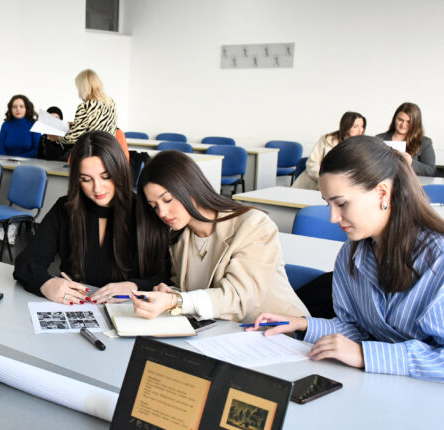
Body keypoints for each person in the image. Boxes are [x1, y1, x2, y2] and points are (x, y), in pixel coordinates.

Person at [250, 136, 444, 382]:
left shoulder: (438, 259)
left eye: (341, 203)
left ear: (382, 193)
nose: (333, 217)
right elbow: (358, 329)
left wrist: (366, 354)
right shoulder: (351, 255)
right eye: (328, 204)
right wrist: (303, 324)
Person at [130, 150, 309, 322]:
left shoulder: (254, 225)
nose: (162, 212)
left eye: (167, 200)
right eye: (154, 206)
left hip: (281, 334)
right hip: (225, 335)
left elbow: (238, 298)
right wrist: (170, 293)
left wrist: (176, 301)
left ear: (190, 187)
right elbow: (191, 291)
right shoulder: (179, 238)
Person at [13, 131, 163, 304]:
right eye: (86, 179)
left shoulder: (144, 211)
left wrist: (135, 285)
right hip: (78, 308)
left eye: (106, 177)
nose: (97, 189)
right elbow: (26, 262)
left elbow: (164, 276)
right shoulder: (65, 208)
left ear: (120, 170)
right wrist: (46, 283)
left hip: (132, 311)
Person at [51, 70, 119, 156]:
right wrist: (75, 124)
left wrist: (57, 138)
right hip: (109, 152)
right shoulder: (110, 102)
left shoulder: (85, 106)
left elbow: (74, 137)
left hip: (93, 153)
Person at [293, 111, 366, 190]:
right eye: (356, 126)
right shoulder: (327, 140)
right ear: (346, 127)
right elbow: (312, 164)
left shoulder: (363, 145)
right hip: (316, 182)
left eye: (362, 126)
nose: (360, 130)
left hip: (344, 187)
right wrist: (325, 179)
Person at [376, 102, 435, 176]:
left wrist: (411, 163)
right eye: (400, 120)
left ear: (415, 123)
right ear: (394, 119)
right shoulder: (379, 138)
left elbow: (430, 171)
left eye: (408, 122)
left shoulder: (424, 142)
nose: (403, 124)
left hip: (411, 185)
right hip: (384, 182)